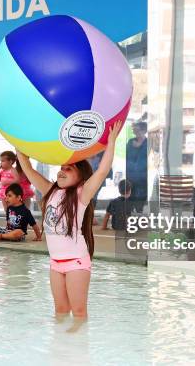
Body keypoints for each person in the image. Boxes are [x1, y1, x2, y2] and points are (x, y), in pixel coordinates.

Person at [17, 121, 122, 321]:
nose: (61, 171)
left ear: (81, 176)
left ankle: (79, 347)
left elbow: (101, 171)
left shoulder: (82, 195)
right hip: (55, 263)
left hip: (76, 263)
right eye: (61, 168)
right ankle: (61, 346)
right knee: (60, 312)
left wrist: (111, 142)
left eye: (69, 169)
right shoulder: (51, 191)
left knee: (79, 312)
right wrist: (21, 148)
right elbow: (28, 171)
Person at [126, 122, 147, 213]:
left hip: (143, 177)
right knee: (129, 199)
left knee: (140, 200)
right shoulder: (130, 142)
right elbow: (126, 157)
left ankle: (138, 219)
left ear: (144, 130)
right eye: (134, 130)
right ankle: (129, 220)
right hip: (130, 176)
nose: (135, 132)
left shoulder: (148, 143)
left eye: (137, 130)